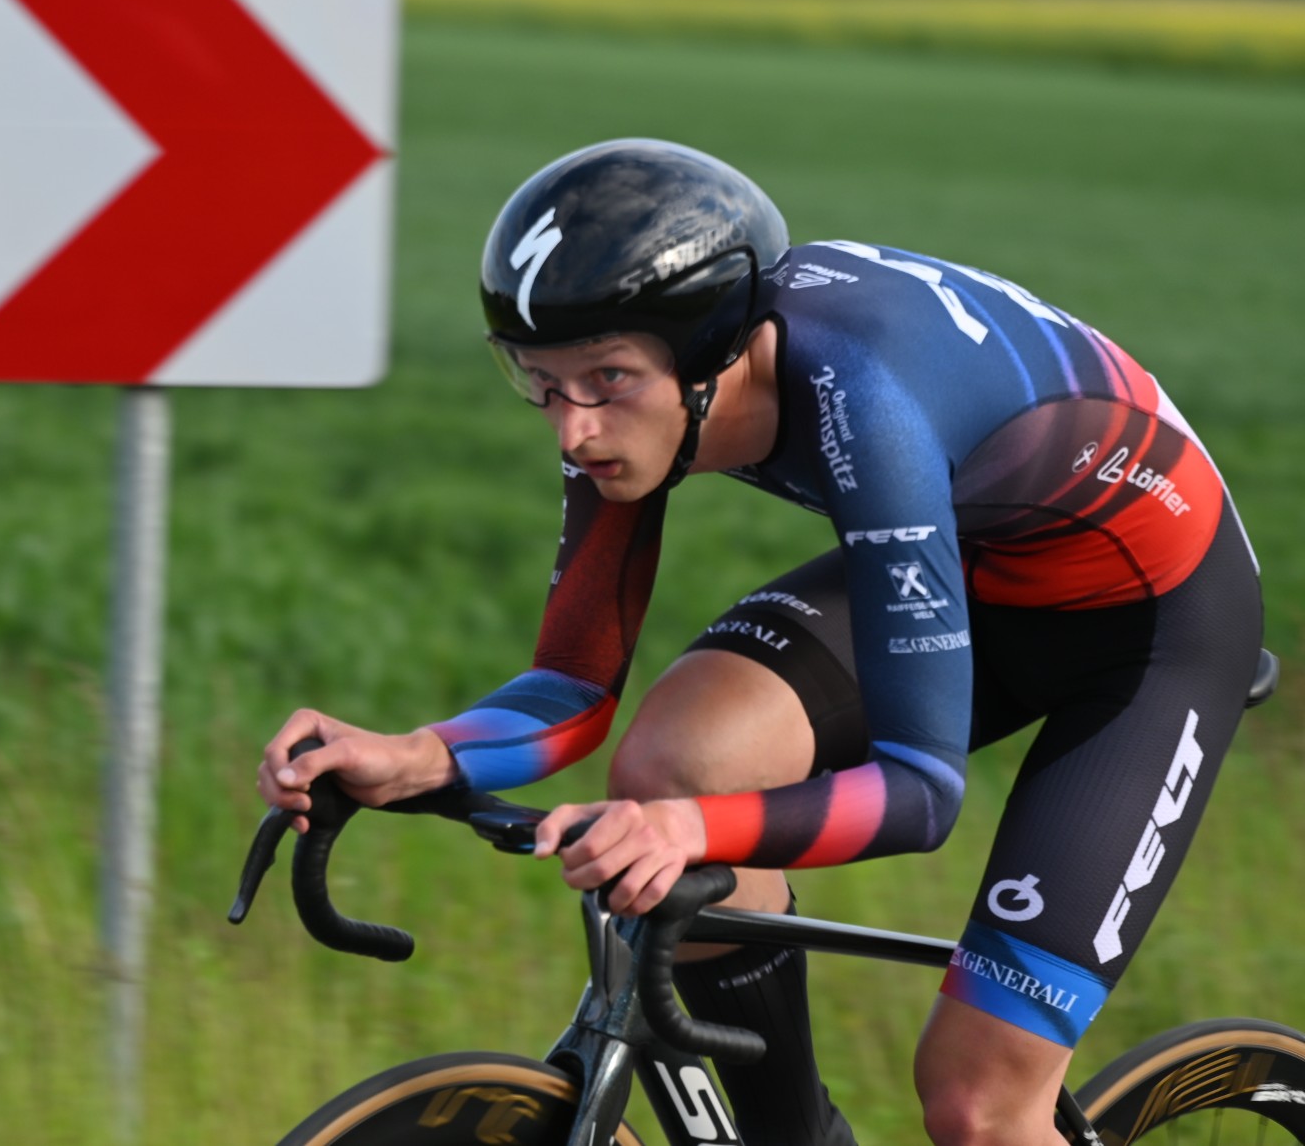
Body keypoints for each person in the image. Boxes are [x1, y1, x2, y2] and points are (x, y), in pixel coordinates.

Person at [256, 140, 1264, 1146]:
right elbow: (572, 684)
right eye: (541, 382)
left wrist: (690, 831)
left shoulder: (865, 396)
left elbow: (920, 793)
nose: (571, 430)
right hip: (978, 557)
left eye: (606, 379)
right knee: (674, 762)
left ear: (711, 356)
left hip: (1155, 628)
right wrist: (419, 754)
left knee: (978, 1103)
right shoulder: (622, 403)